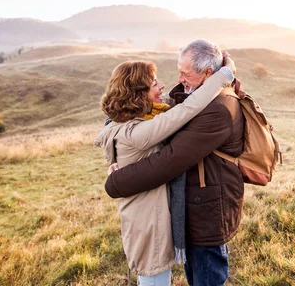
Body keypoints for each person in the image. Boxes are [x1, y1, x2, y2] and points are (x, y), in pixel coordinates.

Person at [105, 39, 246, 286]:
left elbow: (169, 161)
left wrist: (114, 183)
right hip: (179, 210)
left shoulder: (218, 108)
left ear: (208, 74)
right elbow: (178, 103)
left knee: (205, 276)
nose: (177, 79)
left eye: (184, 73)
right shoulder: (144, 120)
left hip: (207, 210)